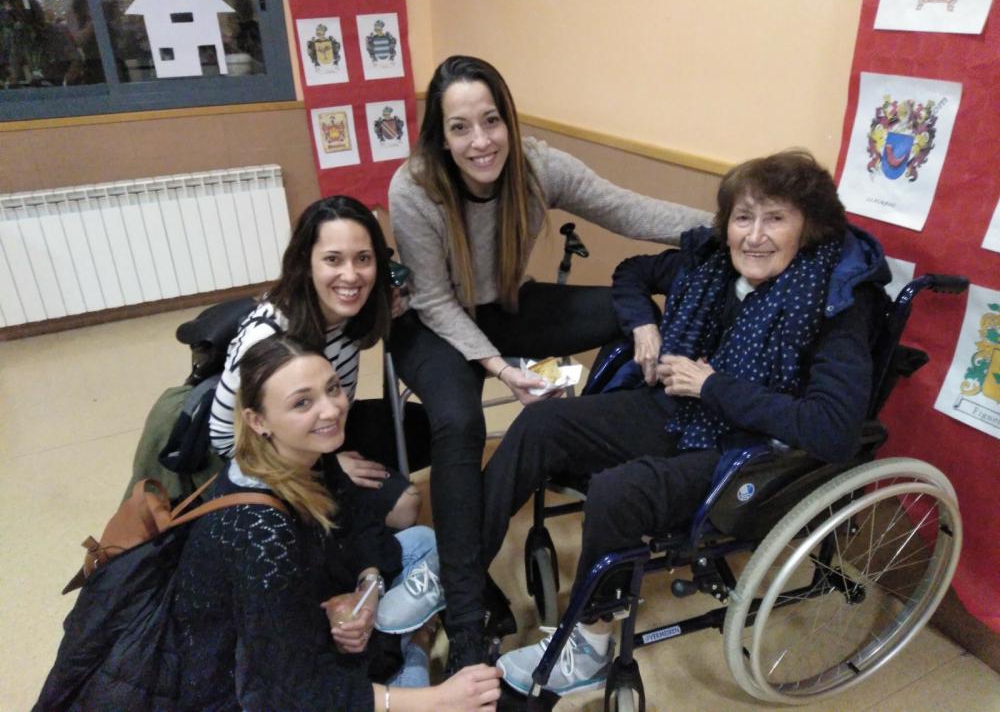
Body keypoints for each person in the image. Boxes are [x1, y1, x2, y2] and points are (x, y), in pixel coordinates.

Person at [483, 150, 891, 696]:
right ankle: (461, 579)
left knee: (618, 493)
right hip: (680, 411)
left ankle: (591, 646)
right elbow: (632, 272)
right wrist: (644, 325)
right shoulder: (712, 265)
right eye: (743, 218)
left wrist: (712, 385)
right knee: (542, 423)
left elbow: (832, 428)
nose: (754, 236)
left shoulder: (834, 302)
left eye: (775, 218)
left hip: (746, 452)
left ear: (809, 227)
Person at [387, 54, 714, 671]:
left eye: (491, 120)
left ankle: (619, 441)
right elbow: (433, 300)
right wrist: (501, 369)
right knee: (459, 424)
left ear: (508, 119)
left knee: (628, 309)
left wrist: (737, 226)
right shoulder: (415, 188)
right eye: (460, 127)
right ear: (441, 136)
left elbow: (629, 211)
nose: (481, 141)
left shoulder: (537, 167)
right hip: (432, 323)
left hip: (504, 306)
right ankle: (464, 620)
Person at [137, 334, 501, 709]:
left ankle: (404, 643)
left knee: (422, 541)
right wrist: (439, 698)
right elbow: (288, 690)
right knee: (427, 694)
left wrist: (368, 588)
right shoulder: (260, 532)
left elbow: (359, 524)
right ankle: (414, 645)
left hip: (300, 618)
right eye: (302, 402)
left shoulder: (305, 454)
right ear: (257, 420)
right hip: (239, 688)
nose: (330, 410)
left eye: (332, 389)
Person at [210, 195, 429, 536]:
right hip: (278, 456)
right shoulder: (267, 336)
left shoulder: (355, 309)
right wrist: (325, 466)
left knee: (435, 426)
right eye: (332, 259)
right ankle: (335, 542)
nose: (351, 275)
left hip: (331, 422)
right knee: (404, 506)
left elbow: (415, 291)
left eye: (363, 259)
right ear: (305, 262)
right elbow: (225, 439)